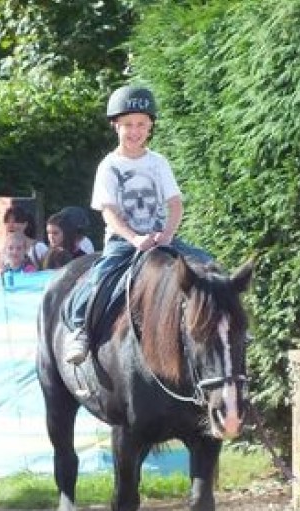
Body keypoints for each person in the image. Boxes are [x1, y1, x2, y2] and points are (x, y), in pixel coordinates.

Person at [64, 84, 212, 364]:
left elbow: (175, 204)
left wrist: (167, 234)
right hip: (124, 241)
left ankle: (221, 325)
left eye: (141, 125)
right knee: (100, 278)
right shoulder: (109, 166)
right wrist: (133, 239)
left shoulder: (158, 163)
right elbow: (108, 212)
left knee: (207, 264)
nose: (135, 131)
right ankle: (80, 329)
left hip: (160, 237)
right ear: (115, 126)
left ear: (150, 127)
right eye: (128, 124)